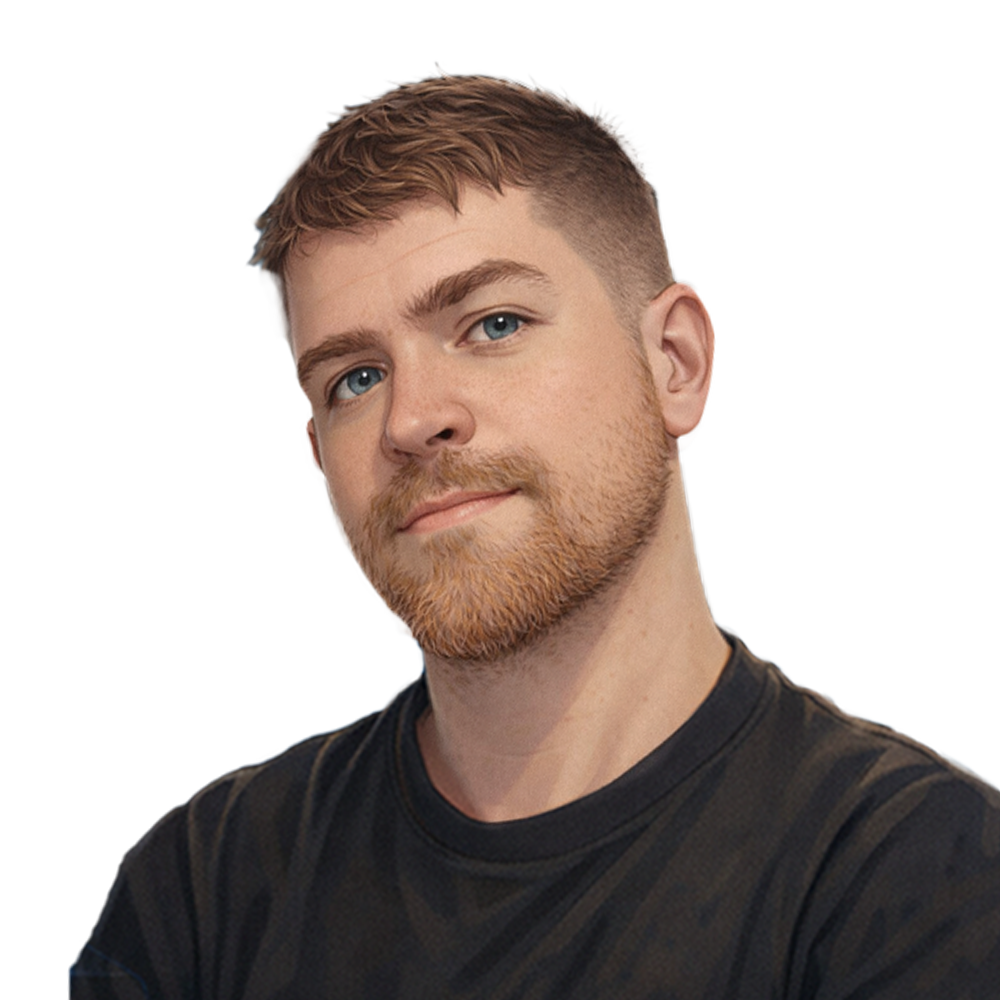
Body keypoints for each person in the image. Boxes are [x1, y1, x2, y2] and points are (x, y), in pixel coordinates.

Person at [71, 70, 1000, 999]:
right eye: (354, 378)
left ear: (674, 363)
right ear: (316, 458)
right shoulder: (206, 891)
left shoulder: (915, 882)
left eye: (493, 324)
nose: (411, 419)